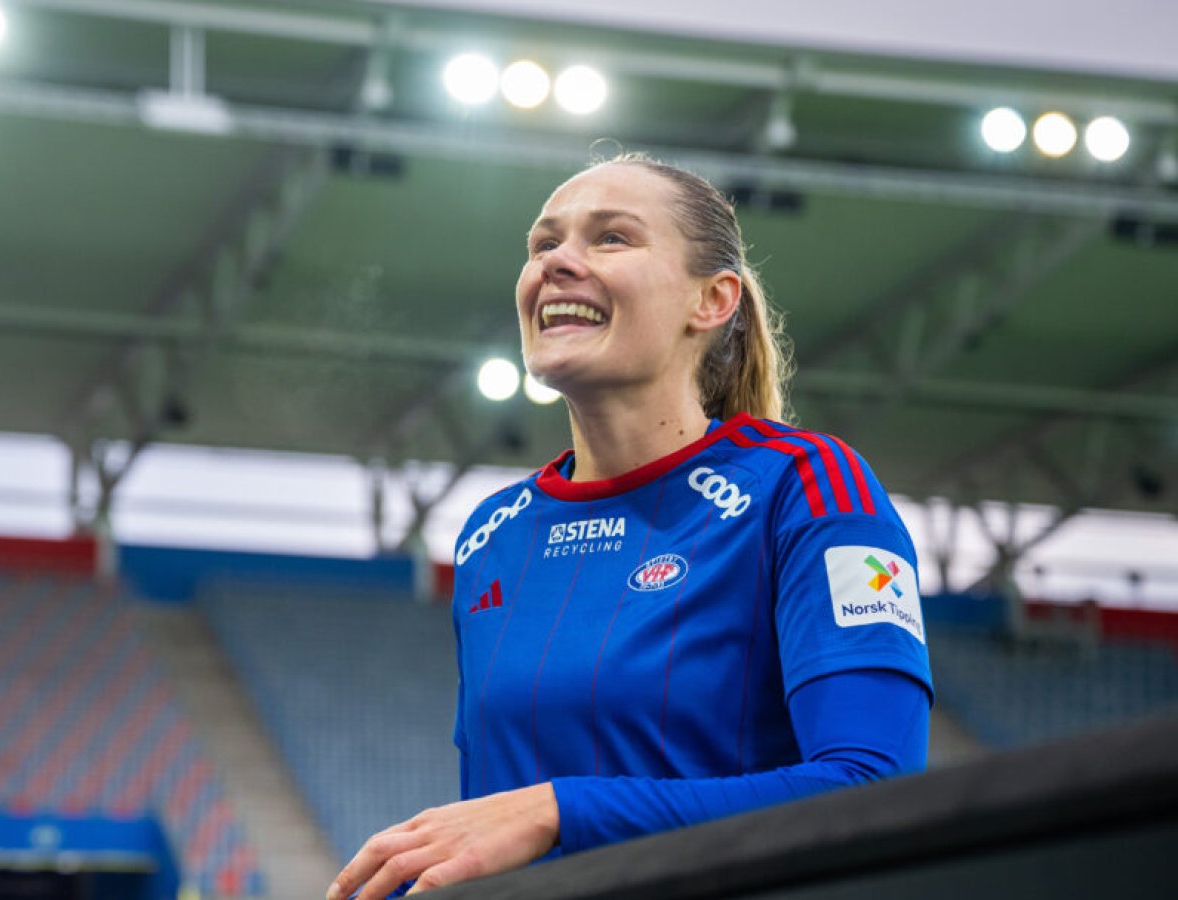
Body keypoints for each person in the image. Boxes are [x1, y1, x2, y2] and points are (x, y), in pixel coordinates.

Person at [328, 153, 933, 899]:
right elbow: (492, 825)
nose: (558, 263)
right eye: (543, 245)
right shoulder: (493, 537)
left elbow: (873, 788)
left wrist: (563, 810)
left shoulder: (806, 486)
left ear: (711, 301)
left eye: (610, 238)